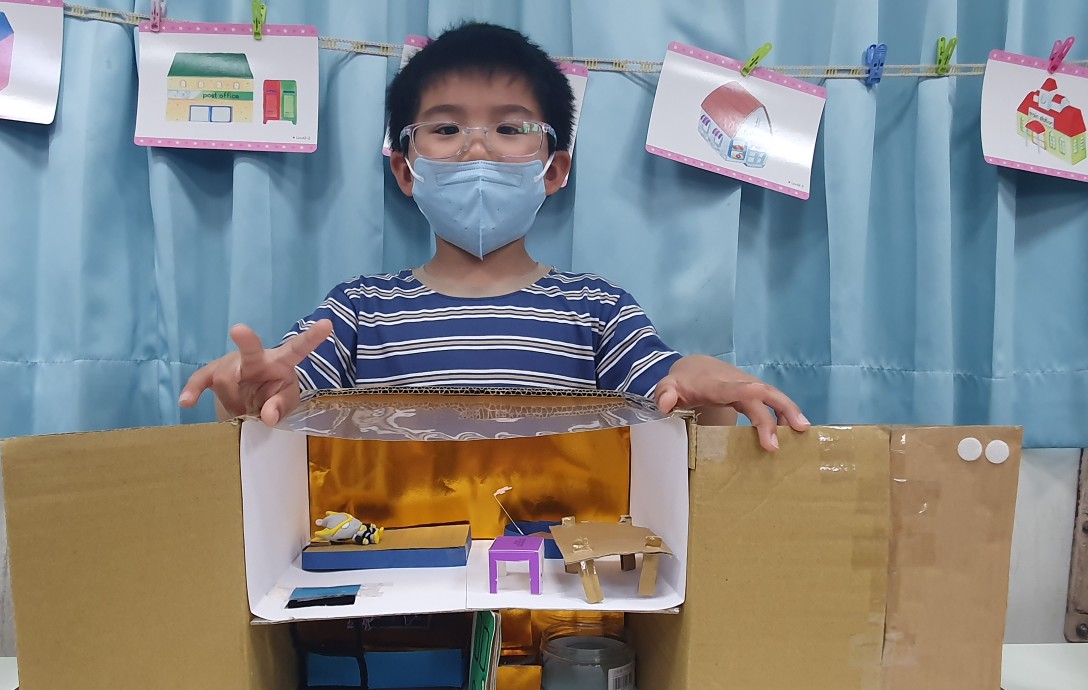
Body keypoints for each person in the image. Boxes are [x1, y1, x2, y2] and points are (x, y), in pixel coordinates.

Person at [180, 22, 809, 452]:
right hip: (395, 576)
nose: (476, 149)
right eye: (446, 130)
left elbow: (673, 390)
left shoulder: (597, 309)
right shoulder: (358, 311)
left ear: (554, 170)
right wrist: (246, 392)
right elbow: (279, 396)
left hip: (558, 579)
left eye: (510, 130)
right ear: (405, 169)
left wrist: (710, 386)